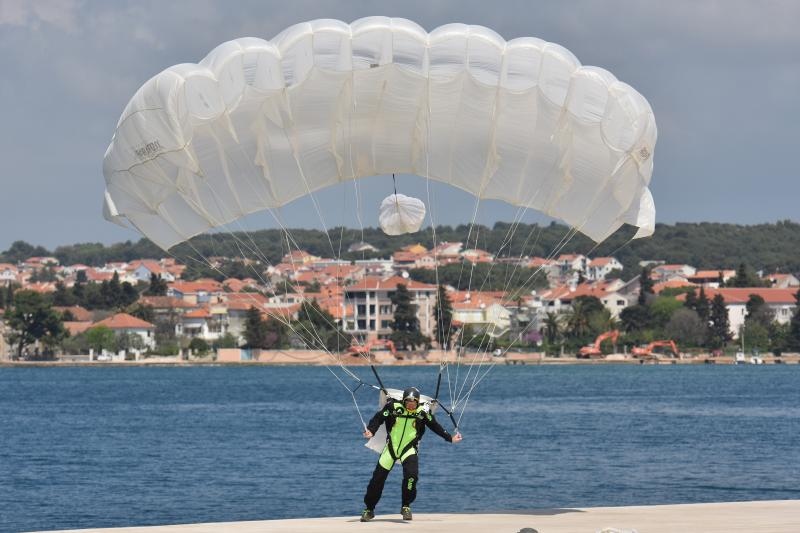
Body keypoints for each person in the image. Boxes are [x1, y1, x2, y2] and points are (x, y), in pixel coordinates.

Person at [360, 386, 462, 522]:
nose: (411, 406)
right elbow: (378, 419)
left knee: (411, 477)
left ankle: (406, 506)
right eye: (408, 403)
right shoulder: (392, 407)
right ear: (403, 401)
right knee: (377, 480)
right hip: (391, 448)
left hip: (409, 449)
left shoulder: (423, 411)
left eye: (413, 404)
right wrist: (371, 431)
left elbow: (435, 426)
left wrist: (450, 438)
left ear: (418, 402)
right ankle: (369, 509)